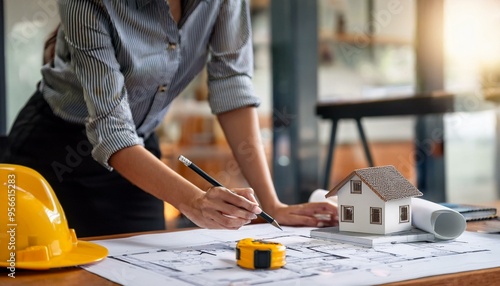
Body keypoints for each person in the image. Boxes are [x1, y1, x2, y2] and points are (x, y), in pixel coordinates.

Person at [1, 0, 338, 237]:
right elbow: (111, 130)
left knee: (145, 270)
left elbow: (232, 86)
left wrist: (272, 204)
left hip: (138, 154)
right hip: (54, 153)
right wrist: (194, 201)